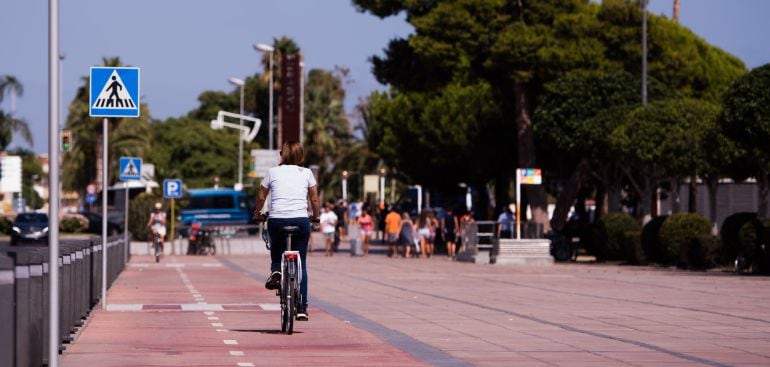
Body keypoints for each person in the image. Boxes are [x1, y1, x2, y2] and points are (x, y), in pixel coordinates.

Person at [254, 141, 320, 322]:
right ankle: (302, 308)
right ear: (301, 155)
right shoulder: (307, 173)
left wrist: (257, 213)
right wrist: (316, 217)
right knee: (302, 263)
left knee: (276, 244)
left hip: (277, 220)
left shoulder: (272, 172)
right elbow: (314, 199)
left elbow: (261, 196)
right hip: (301, 221)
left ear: (282, 154)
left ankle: (276, 269)